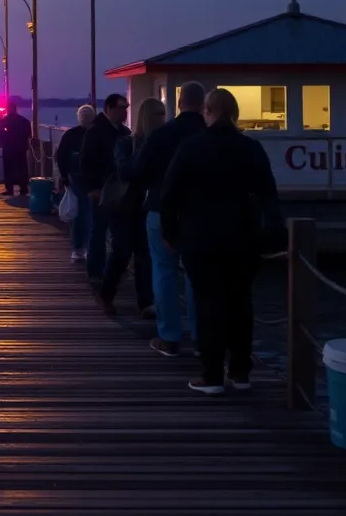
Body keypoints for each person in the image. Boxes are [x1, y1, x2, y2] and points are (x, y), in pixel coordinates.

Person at [159, 88, 279, 395]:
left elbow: (169, 196)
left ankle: (212, 375)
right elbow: (268, 196)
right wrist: (272, 236)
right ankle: (240, 372)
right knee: (241, 303)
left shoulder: (191, 148)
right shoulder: (251, 148)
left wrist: (171, 234)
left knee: (208, 304)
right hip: (243, 237)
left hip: (201, 239)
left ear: (207, 112)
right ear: (235, 114)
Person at [129, 81, 207, 357]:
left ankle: (170, 337)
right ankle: (202, 340)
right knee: (199, 276)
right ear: (203, 104)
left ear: (180, 102)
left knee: (164, 272)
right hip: (200, 214)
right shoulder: (209, 135)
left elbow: (137, 172)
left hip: (161, 209)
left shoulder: (162, 134)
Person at [97, 97, 163, 317]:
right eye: (157, 115)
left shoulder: (164, 143)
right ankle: (106, 294)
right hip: (123, 205)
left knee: (144, 254)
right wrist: (149, 149)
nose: (162, 119)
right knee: (122, 250)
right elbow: (125, 171)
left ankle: (146, 302)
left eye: (163, 114)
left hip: (147, 206)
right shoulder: (126, 142)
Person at [80, 94, 130, 285]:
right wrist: (92, 187)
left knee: (119, 232)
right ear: (109, 108)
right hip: (101, 189)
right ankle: (95, 270)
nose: (125, 111)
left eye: (127, 107)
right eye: (121, 107)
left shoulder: (123, 131)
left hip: (121, 190)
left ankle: (116, 267)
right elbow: (86, 161)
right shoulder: (96, 131)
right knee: (99, 229)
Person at [54, 105, 96, 262]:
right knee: (89, 213)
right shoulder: (97, 134)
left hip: (77, 177)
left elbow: (61, 156)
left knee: (82, 212)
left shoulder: (70, 134)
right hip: (91, 179)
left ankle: (80, 248)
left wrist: (64, 176)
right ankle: (84, 247)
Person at [0, 102, 33, 196]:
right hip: (20, 147)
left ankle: (9, 189)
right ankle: (23, 189)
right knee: (22, 168)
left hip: (8, 147)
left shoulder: (3, 121)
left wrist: (3, 140)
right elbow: (29, 133)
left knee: (9, 169)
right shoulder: (23, 121)